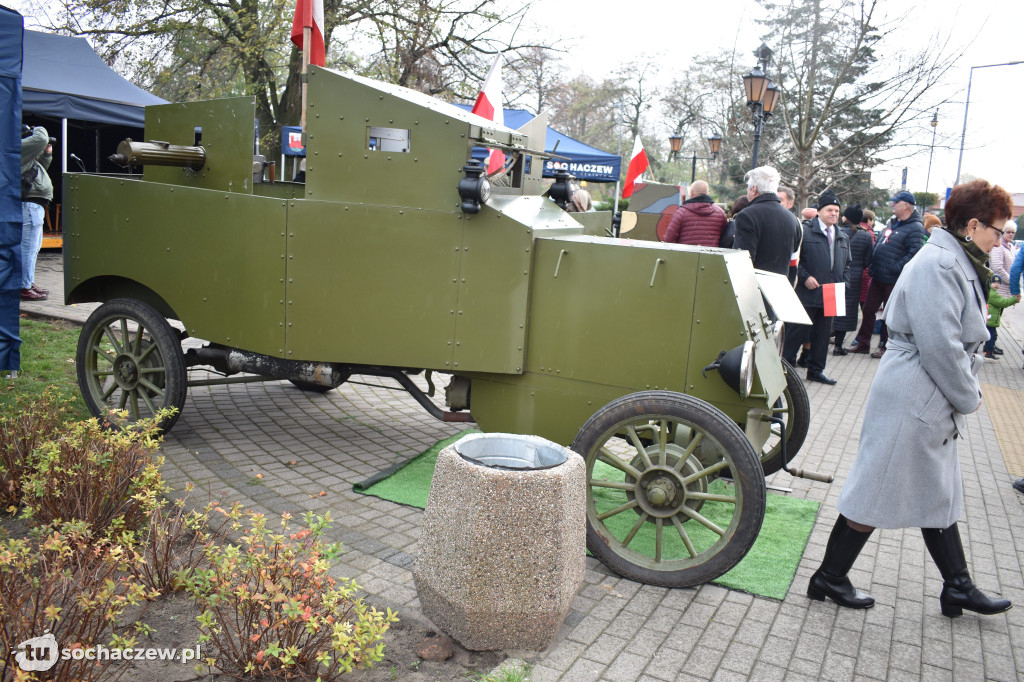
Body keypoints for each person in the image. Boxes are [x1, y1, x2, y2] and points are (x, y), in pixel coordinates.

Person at [809, 179, 1013, 618]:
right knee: (879, 489)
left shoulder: (951, 257)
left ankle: (956, 584)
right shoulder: (941, 262)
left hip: (922, 386)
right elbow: (940, 342)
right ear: (973, 225)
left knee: (933, 492)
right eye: (998, 230)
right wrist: (969, 394)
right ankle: (830, 575)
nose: (1001, 238)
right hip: (918, 387)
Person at [784, 189, 850, 385]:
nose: (834, 214)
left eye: (837, 211)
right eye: (830, 210)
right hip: (807, 292)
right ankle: (784, 368)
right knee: (796, 332)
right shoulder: (805, 230)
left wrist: (845, 284)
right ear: (819, 211)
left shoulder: (842, 236)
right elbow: (795, 260)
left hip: (832, 293)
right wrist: (805, 277)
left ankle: (816, 370)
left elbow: (848, 265)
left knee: (822, 335)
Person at [851, 191, 926, 358]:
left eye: (896, 202)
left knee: (888, 314)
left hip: (893, 279)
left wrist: (895, 268)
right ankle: (863, 343)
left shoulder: (915, 227)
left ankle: (885, 346)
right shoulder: (893, 223)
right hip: (877, 275)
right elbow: (880, 241)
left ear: (906, 205)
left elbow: (914, 253)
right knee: (869, 309)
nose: (893, 205)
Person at [732, 166, 801, 277]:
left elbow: (742, 261)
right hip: (781, 288)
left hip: (754, 288)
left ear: (754, 189)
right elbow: (793, 263)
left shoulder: (746, 215)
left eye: (748, 188)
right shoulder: (793, 219)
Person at [832, 204, 872, 355]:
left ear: (845, 217)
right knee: (848, 310)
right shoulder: (866, 236)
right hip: (855, 278)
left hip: (836, 274)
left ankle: (824, 340)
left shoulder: (837, 232)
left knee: (832, 308)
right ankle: (838, 345)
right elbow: (868, 260)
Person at [20, 125, 53, 301]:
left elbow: (38, 171)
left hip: (34, 206)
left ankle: (27, 282)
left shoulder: (25, 157)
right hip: (29, 206)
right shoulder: (15, 148)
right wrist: (38, 128)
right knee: (28, 248)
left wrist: (46, 155)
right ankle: (23, 287)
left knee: (33, 248)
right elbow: (40, 138)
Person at [663, 180, 727, 246]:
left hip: (686, 255)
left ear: (691, 192)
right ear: (708, 194)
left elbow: (669, 238)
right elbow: (725, 237)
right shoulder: (720, 213)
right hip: (712, 255)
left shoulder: (681, 213)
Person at [983, 276, 1018, 359]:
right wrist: (1014, 299)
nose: (996, 284)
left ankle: (986, 349)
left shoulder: (992, 292)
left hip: (989, 320)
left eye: (998, 283)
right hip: (990, 320)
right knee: (992, 336)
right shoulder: (992, 294)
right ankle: (989, 351)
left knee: (986, 335)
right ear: (990, 283)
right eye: (994, 282)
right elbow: (1003, 302)